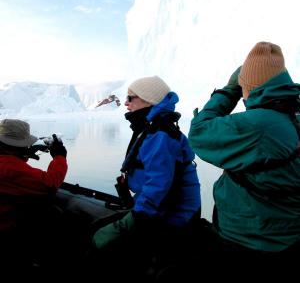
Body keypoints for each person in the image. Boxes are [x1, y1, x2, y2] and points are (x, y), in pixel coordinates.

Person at [188, 42, 300, 274]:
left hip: (252, 242)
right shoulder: (292, 114)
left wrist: (228, 91)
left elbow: (199, 134)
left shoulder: (260, 125)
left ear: (248, 87)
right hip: (288, 235)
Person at [91, 76, 201, 280]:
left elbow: (159, 187)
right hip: (162, 209)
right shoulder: (153, 128)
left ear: (149, 101)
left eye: (131, 98)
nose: (126, 103)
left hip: (174, 217)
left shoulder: (161, 136)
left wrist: (131, 221)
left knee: (101, 241)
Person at [0, 119, 68, 270]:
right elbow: (50, 183)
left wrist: (22, 156)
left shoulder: (7, 162)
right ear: (16, 146)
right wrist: (59, 156)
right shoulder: (11, 168)